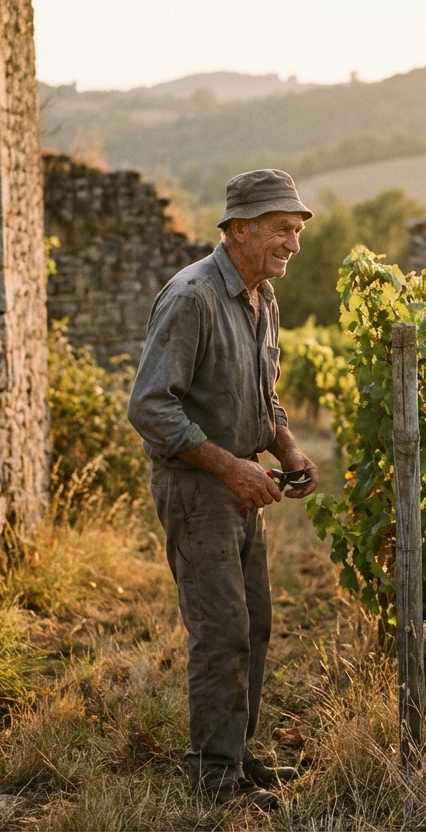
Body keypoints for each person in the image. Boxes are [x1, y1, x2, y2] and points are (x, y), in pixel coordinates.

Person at [126, 169, 319, 811]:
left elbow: (262, 400)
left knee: (255, 623)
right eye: (281, 230)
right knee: (221, 630)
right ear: (238, 229)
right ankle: (214, 781)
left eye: (296, 230)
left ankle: (235, 754)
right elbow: (151, 406)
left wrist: (286, 448)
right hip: (196, 486)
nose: (293, 243)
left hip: (238, 485)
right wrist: (231, 467)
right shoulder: (193, 297)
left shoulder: (262, 298)